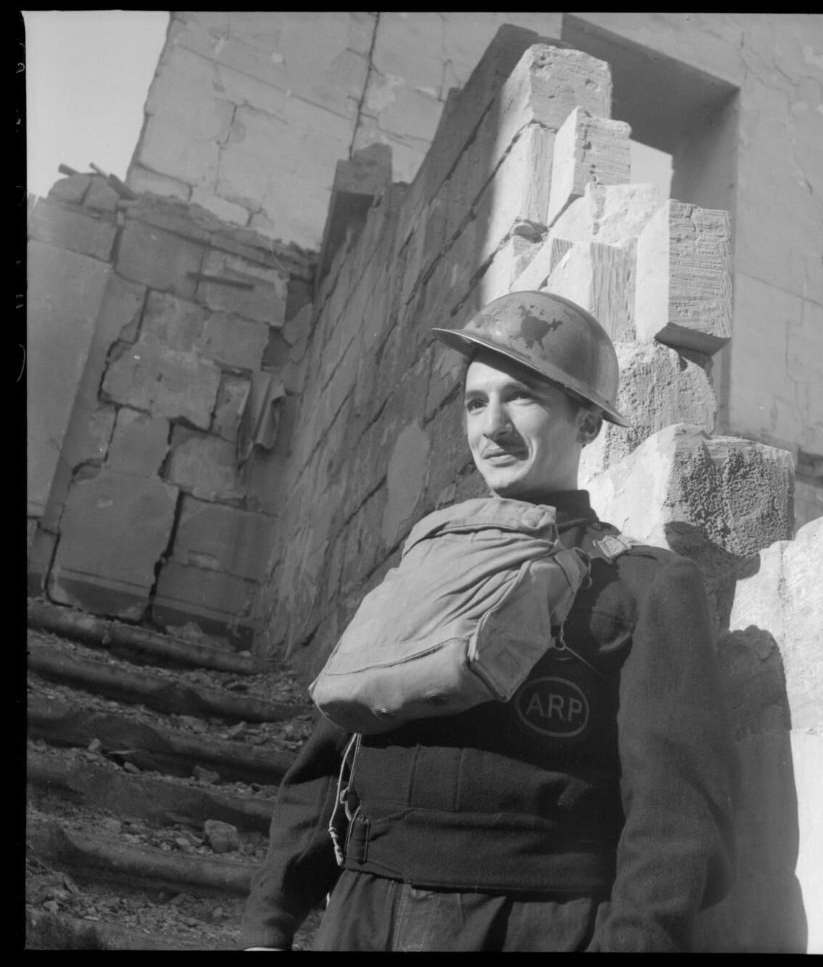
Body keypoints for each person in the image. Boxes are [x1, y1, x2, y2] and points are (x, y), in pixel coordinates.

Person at [240, 291, 738, 952]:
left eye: (521, 397)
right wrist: (268, 924)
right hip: (364, 914)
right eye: (476, 402)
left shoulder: (645, 586)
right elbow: (331, 758)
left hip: (535, 927)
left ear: (588, 423)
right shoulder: (424, 564)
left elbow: (676, 819)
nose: (491, 426)